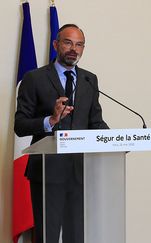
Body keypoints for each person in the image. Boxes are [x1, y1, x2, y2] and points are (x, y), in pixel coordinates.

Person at [15, 24, 108, 243]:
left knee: (76, 236)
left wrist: (116, 141)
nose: (73, 49)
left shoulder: (89, 80)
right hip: (47, 173)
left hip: (80, 173)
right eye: (68, 42)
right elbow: (20, 125)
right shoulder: (34, 78)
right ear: (56, 45)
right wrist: (51, 120)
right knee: (47, 235)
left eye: (79, 44)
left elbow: (95, 122)